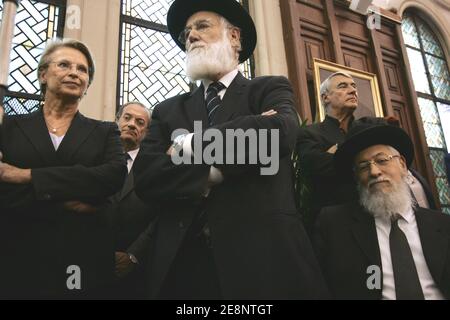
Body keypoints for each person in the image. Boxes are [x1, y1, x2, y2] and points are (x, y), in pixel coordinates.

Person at [133, 0, 328, 299]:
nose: (191, 37)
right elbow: (147, 177)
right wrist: (238, 148)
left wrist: (187, 145)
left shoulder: (268, 89)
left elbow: (280, 135)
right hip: (184, 267)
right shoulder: (167, 110)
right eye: (187, 34)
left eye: (201, 27)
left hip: (264, 260)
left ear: (234, 37)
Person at [0, 39, 127, 299]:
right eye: (64, 64)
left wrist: (26, 175)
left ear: (87, 84)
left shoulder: (104, 131)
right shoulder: (9, 127)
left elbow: (112, 177)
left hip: (79, 259)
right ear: (43, 75)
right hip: (15, 253)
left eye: (82, 70)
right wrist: (73, 198)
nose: (74, 72)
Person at [313, 120, 450, 299]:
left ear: (402, 164)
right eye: (363, 166)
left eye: (382, 160)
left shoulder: (444, 225)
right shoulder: (333, 225)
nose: (374, 171)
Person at [296, 71, 359, 233]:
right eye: (343, 86)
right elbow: (314, 166)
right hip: (336, 224)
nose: (353, 91)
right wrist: (360, 154)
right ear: (325, 98)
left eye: (353, 86)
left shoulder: (367, 128)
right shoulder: (309, 133)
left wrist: (335, 153)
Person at [108, 101, 157, 299]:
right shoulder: (94, 157)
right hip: (89, 260)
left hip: (136, 270)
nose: (131, 125)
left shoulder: (153, 168)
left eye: (140, 122)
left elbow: (160, 215)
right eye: (127, 118)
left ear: (146, 133)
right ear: (116, 121)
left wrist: (133, 255)